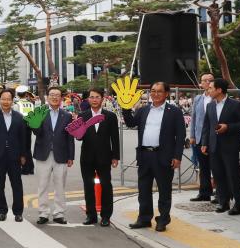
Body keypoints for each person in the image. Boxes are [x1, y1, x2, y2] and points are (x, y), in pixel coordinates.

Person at [122, 82, 185, 232]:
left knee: (164, 190)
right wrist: (125, 106)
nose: (155, 94)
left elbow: (181, 135)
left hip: (163, 156)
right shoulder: (143, 110)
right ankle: (144, 218)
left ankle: (163, 219)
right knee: (144, 189)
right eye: (152, 91)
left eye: (159, 91)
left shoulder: (174, 111)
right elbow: (131, 123)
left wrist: (177, 156)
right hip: (144, 155)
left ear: (166, 93)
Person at [0, 88, 31, 222]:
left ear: (12, 100)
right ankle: (2, 211)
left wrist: (23, 155)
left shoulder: (19, 117)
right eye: (3, 99)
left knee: (17, 185)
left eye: (8, 99)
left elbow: (23, 138)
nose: (6, 101)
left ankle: (18, 212)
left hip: (15, 156)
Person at [201, 78, 240, 215]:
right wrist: (205, 143)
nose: (208, 90)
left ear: (219, 90)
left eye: (211, 88)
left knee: (233, 176)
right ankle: (224, 202)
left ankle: (239, 206)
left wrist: (228, 127)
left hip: (230, 146)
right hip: (214, 146)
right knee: (218, 175)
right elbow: (207, 126)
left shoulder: (235, 105)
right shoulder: (210, 105)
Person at [29, 86, 75, 225]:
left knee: (60, 185)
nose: (55, 97)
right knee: (42, 185)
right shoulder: (40, 112)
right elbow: (36, 132)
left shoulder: (66, 115)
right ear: (47, 97)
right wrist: (34, 122)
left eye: (57, 95)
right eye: (52, 95)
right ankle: (43, 213)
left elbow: (69, 137)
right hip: (43, 154)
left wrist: (71, 156)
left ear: (61, 98)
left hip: (61, 155)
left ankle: (58, 213)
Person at [78, 87, 120, 226]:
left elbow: (115, 138)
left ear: (102, 98)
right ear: (88, 99)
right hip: (87, 157)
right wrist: (76, 130)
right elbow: (79, 138)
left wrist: (115, 156)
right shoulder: (82, 116)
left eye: (97, 97)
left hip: (104, 157)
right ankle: (91, 216)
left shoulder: (110, 116)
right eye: (91, 97)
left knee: (106, 186)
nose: (94, 100)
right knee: (88, 186)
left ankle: (106, 216)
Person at [188, 73, 215, 202]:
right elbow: (193, 118)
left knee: (217, 166)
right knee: (203, 167)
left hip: (215, 138)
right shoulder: (198, 98)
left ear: (211, 82)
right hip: (199, 138)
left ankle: (221, 192)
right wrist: (192, 135)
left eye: (205, 81)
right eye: (202, 81)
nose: (203, 83)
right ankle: (204, 192)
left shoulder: (217, 98)